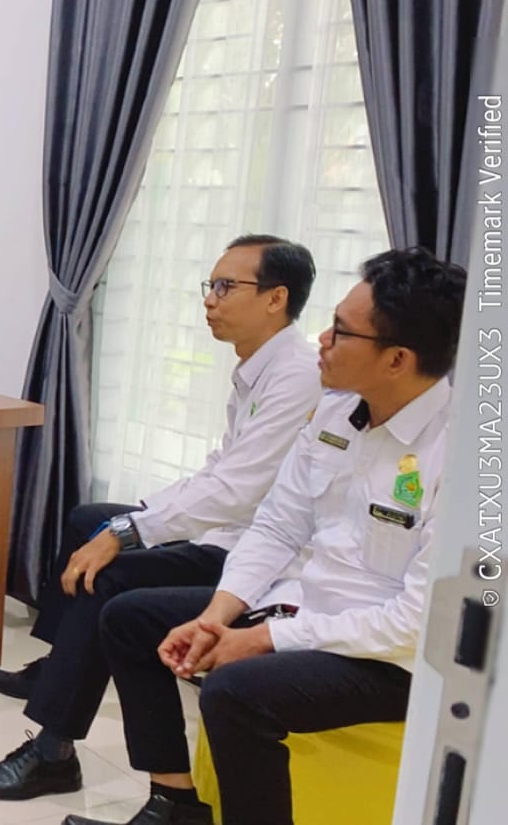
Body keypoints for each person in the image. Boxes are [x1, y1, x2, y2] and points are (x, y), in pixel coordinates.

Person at [72, 246, 466, 825]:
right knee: (130, 619)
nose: (322, 341)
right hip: (307, 608)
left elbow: (415, 623)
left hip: (392, 656)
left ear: (397, 359)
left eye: (341, 332)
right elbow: (278, 525)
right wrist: (218, 616)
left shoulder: (462, 459)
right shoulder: (335, 415)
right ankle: (176, 805)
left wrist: (265, 639)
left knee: (235, 692)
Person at [0, 235, 321, 802]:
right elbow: (220, 469)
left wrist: (131, 531)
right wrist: (138, 517)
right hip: (228, 530)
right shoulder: (257, 368)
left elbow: (236, 491)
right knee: (90, 519)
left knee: (110, 574)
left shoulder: (298, 375)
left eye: (226, 287)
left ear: (276, 298)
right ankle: (61, 663)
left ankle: (53, 750)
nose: (210, 299)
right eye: (210, 285)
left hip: (251, 554)